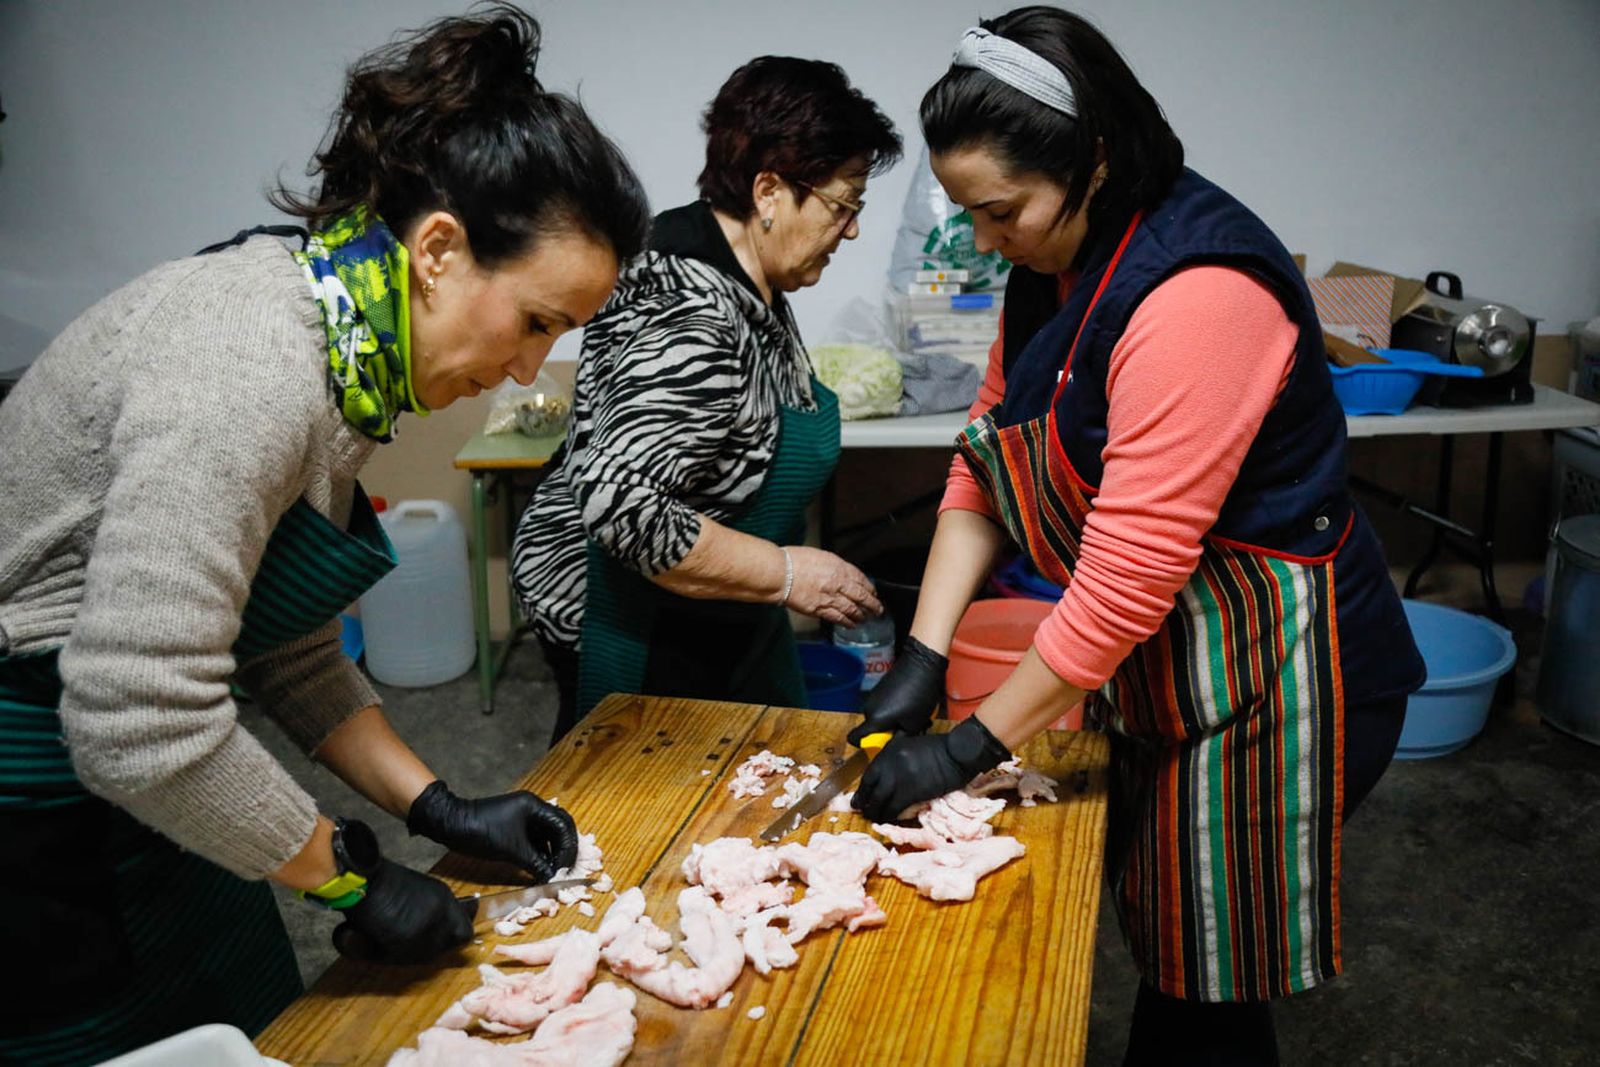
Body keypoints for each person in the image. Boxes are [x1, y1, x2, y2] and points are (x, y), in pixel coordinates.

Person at [0, 7, 649, 1063]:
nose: (533, 367)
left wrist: (436, 808)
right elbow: (137, 720)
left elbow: (281, 637)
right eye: (536, 320)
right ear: (438, 249)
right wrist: (350, 873)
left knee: (241, 1001)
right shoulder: (252, 369)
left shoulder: (345, 347)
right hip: (36, 793)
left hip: (156, 766)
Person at [848, 9, 1425, 1064]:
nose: (985, 238)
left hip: (1284, 683)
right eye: (970, 212)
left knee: (1199, 981)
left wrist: (969, 745)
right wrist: (921, 652)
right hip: (1171, 661)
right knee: (1171, 944)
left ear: (1096, 160)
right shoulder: (1048, 265)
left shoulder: (1198, 292)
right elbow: (986, 454)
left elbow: (1124, 579)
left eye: (1001, 210)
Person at [511, 57, 901, 741]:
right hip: (631, 616)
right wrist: (783, 571)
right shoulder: (694, 317)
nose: (853, 230)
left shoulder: (743, 264)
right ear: (771, 190)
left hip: (705, 603)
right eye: (845, 205)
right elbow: (621, 502)